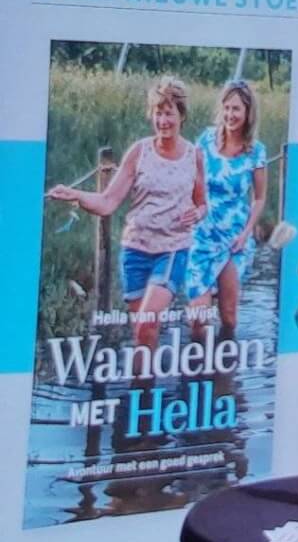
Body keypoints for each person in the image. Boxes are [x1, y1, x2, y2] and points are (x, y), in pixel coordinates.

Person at [48, 76, 206, 355]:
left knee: (147, 322)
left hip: (172, 250)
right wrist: (75, 194)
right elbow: (107, 202)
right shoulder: (139, 152)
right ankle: (142, 381)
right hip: (135, 251)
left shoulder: (194, 156)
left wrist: (198, 213)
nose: (163, 121)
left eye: (169, 113)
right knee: (142, 335)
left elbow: (202, 203)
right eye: (158, 113)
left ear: (181, 115)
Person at [186, 79, 267, 338]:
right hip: (202, 235)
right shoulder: (205, 140)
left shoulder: (256, 151)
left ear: (247, 113)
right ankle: (197, 360)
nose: (230, 115)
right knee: (198, 319)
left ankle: (225, 360)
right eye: (227, 108)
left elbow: (259, 198)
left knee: (229, 317)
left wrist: (246, 234)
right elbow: (190, 181)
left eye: (236, 109)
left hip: (233, 237)